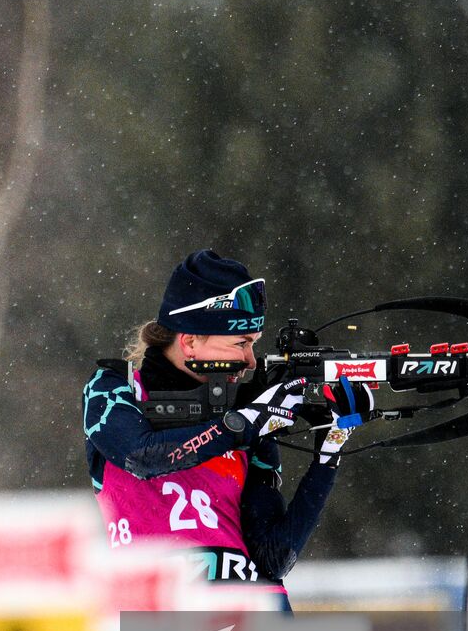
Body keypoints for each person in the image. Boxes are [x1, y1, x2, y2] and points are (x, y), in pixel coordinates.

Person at [82, 249, 371, 606]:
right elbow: (142, 456)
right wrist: (242, 425)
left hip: (251, 614)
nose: (251, 360)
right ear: (189, 341)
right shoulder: (115, 389)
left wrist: (331, 446)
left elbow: (273, 557)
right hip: (156, 615)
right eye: (241, 343)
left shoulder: (245, 411)